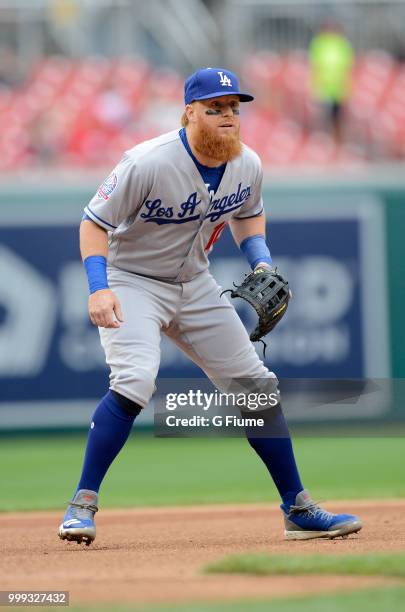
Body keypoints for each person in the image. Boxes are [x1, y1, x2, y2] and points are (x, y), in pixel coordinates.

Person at [58, 67, 362, 545]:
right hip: (132, 280)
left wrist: (261, 263)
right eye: (215, 108)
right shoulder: (147, 161)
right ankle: (82, 504)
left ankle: (297, 510)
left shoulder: (247, 164)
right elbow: (93, 223)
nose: (227, 117)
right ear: (190, 113)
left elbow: (250, 215)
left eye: (234, 109)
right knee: (135, 380)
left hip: (195, 283)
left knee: (256, 388)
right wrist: (99, 287)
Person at [309, 23, 354, 145]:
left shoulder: (341, 44)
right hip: (324, 86)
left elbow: (347, 65)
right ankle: (324, 140)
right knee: (323, 116)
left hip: (337, 87)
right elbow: (315, 65)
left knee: (337, 117)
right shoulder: (320, 43)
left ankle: (337, 142)